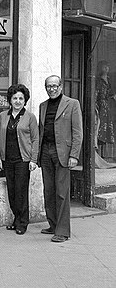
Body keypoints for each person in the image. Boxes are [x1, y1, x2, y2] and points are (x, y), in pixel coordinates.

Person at [39, 75, 83, 243]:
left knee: (62, 192)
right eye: (49, 86)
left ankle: (63, 231)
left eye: (55, 86)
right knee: (48, 190)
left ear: (61, 87)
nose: (52, 89)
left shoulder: (72, 104)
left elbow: (77, 132)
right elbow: (40, 130)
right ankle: (53, 224)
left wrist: (74, 155)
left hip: (63, 153)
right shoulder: (43, 106)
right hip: (45, 152)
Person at [0, 84, 39, 235]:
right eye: (15, 98)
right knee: (12, 191)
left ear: (25, 100)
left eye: (21, 98)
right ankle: (16, 219)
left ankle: (23, 222)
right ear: (10, 100)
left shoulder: (30, 117)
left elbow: (35, 139)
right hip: (8, 159)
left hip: (23, 160)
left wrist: (33, 160)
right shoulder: (2, 116)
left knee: (21, 191)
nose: (18, 101)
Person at [95, 60, 116, 150]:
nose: (106, 68)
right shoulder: (98, 80)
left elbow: (109, 92)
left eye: (107, 67)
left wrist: (113, 96)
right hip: (100, 105)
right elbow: (96, 93)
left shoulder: (108, 80)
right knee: (100, 125)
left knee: (107, 126)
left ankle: (104, 152)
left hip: (107, 105)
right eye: (104, 67)